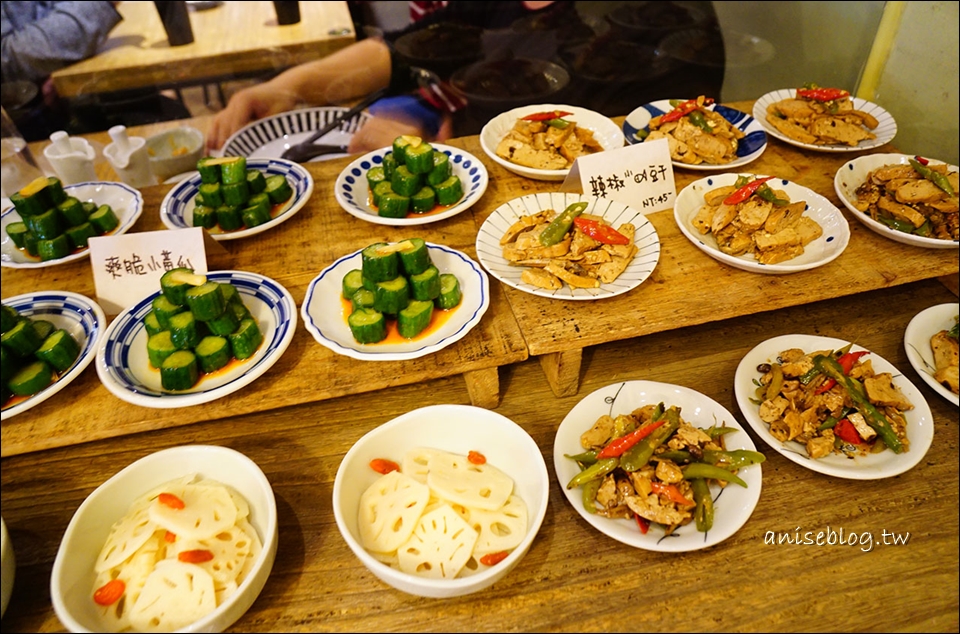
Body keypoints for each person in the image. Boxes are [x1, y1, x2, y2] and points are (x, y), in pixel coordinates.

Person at [206, 1, 724, 153]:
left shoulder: (645, 20)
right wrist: (281, 88)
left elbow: (639, 156)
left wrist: (443, 149)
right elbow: (399, 51)